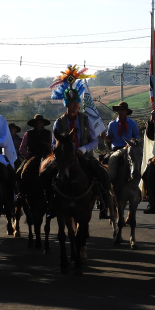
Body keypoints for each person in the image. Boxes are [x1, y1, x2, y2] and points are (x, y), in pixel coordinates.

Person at [49, 87, 112, 218]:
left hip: (84, 156)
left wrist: (83, 149)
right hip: (65, 158)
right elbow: (54, 143)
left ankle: (104, 205)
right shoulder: (59, 123)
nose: (76, 105)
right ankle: (50, 205)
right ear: (66, 104)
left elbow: (94, 141)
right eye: (73, 103)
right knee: (46, 174)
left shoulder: (85, 120)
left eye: (77, 102)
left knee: (103, 174)